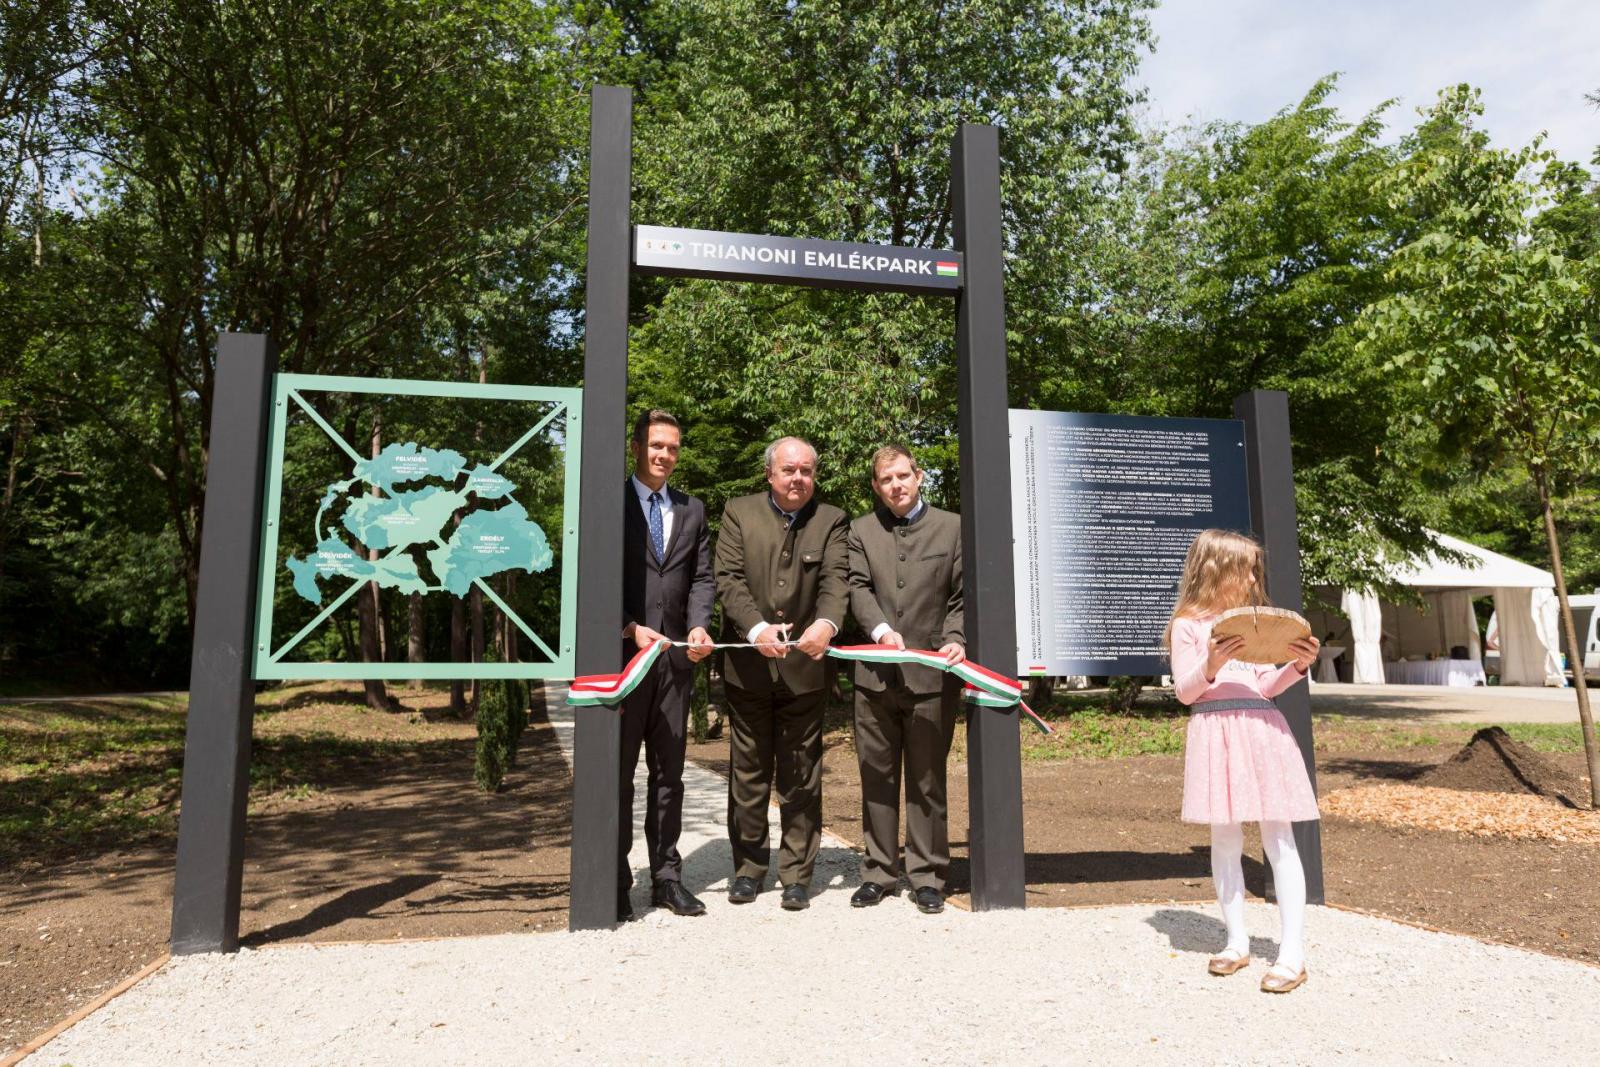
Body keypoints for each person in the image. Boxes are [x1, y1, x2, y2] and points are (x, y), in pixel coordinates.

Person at [1166, 529, 1320, 993]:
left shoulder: (1252, 623)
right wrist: (1211, 662)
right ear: (1219, 570)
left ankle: (1292, 953)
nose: (1254, 576)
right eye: (1247, 568)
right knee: (1225, 837)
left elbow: (1263, 686)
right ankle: (1236, 942)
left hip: (1262, 730)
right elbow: (1185, 691)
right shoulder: (1189, 626)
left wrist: (1296, 666)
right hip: (1214, 732)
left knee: (1280, 838)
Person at [713, 436, 849, 911]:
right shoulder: (739, 512)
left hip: (805, 671)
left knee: (800, 777)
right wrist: (754, 629)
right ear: (770, 473)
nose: (798, 478)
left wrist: (826, 626)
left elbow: (836, 582)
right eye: (789, 470)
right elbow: (727, 579)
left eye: (807, 471)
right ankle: (749, 870)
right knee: (748, 777)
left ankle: (797, 875)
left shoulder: (831, 520)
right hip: (748, 670)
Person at [845, 444, 964, 915]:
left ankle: (928, 874)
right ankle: (878, 871)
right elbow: (857, 587)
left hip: (932, 676)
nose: (895, 485)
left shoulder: (952, 527)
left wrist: (956, 639)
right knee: (876, 775)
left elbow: (960, 595)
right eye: (885, 480)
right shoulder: (860, 530)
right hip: (874, 676)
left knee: (927, 779)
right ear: (876, 487)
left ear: (918, 477)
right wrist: (879, 630)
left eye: (902, 476)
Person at [617, 409, 715, 922]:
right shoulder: (610, 501)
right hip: (623, 661)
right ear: (637, 446)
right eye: (657, 445)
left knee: (668, 776)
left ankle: (667, 879)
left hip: (676, 663)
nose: (665, 455)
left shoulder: (692, 509)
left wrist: (698, 626)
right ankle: (613, 877)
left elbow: (702, 576)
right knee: (617, 775)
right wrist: (629, 629)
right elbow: (596, 576)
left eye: (673, 447)